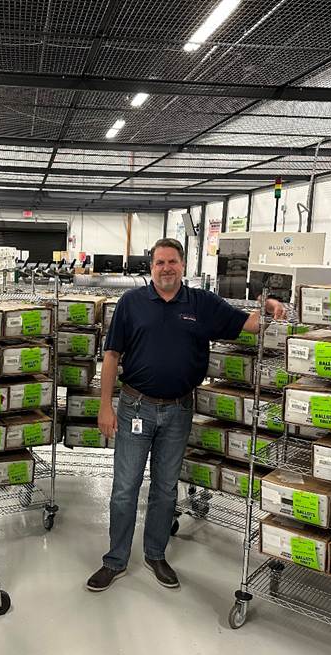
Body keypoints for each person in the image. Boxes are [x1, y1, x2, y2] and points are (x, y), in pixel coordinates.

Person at [86, 238, 286, 592]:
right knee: (125, 488)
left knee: (165, 489)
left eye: (172, 262)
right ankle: (115, 560)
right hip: (135, 407)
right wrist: (105, 405)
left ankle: (155, 554)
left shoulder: (202, 303)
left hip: (179, 410)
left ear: (182, 265)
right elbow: (112, 355)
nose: (166, 268)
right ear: (151, 267)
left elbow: (250, 325)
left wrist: (267, 306)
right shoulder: (131, 303)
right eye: (160, 262)